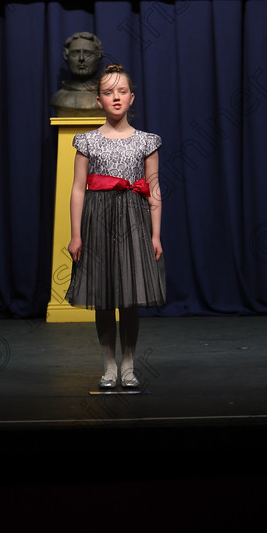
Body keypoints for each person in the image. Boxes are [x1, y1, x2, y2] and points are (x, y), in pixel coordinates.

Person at [66, 63, 166, 389]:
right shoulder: (88, 141)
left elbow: (154, 189)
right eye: (109, 93)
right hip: (98, 222)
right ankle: (108, 365)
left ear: (132, 97)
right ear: (99, 101)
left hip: (133, 222)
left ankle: (128, 365)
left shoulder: (146, 141)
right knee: (105, 297)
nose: (116, 98)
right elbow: (78, 188)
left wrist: (155, 234)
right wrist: (76, 234)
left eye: (122, 91)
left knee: (129, 297)